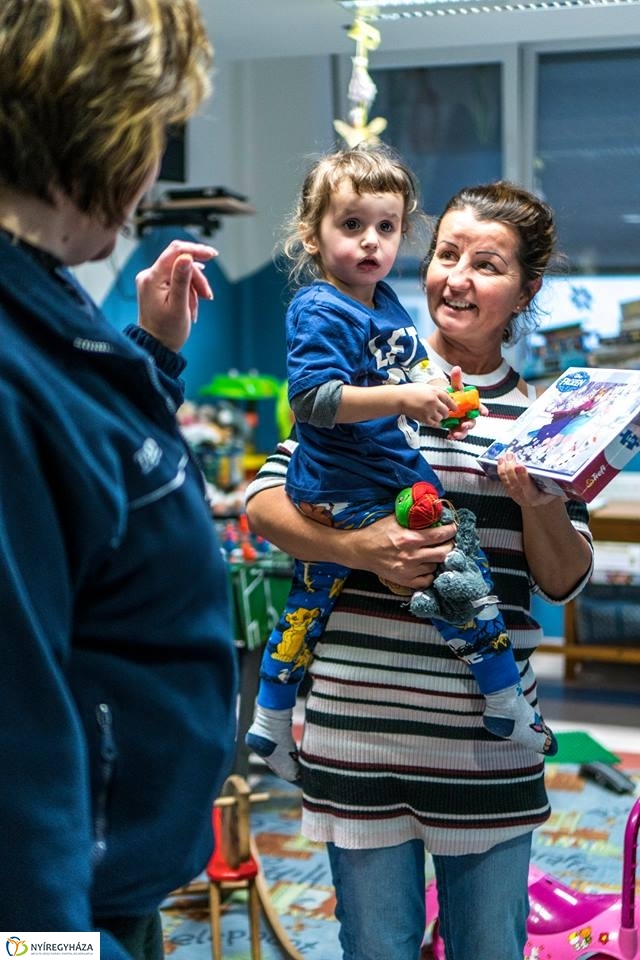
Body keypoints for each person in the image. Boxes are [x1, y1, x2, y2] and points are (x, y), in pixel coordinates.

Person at [245, 180, 594, 960]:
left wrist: (537, 502)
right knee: (375, 947)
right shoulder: (373, 375)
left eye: (488, 264)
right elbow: (264, 504)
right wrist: (353, 550)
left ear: (526, 290)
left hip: (483, 747)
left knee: (488, 948)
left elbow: (564, 579)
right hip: (355, 735)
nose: (458, 278)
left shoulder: (549, 418)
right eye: (446, 255)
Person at [0, 3, 237, 959]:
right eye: (155, 133)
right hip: (59, 911)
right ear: (103, 127)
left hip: (117, 876)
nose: (154, 172)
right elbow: (14, 741)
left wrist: (152, 355)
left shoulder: (45, 287)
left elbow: (94, 479)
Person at [245, 147, 557, 784]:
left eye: (386, 229)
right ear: (312, 234)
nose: (370, 243)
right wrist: (407, 398)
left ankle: (271, 719)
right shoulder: (321, 309)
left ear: (527, 288)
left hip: (475, 772)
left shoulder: (382, 304)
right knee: (458, 573)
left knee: (307, 603)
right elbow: (308, 407)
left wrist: (439, 395)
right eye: (351, 225)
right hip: (351, 490)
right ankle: (505, 699)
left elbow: (407, 362)